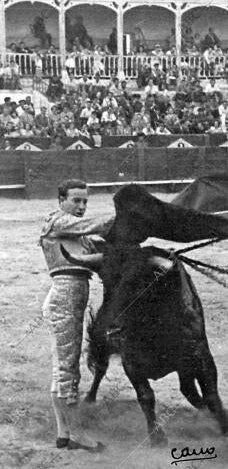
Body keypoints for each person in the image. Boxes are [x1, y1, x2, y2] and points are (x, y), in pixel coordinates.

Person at [40, 179, 112, 451]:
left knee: (62, 368)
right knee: (68, 369)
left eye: (85, 202)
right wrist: (121, 218)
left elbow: (104, 249)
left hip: (70, 299)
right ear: (61, 200)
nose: (81, 206)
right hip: (65, 299)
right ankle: (78, 435)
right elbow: (90, 225)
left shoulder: (79, 237)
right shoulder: (57, 221)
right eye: (76, 200)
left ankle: (64, 434)